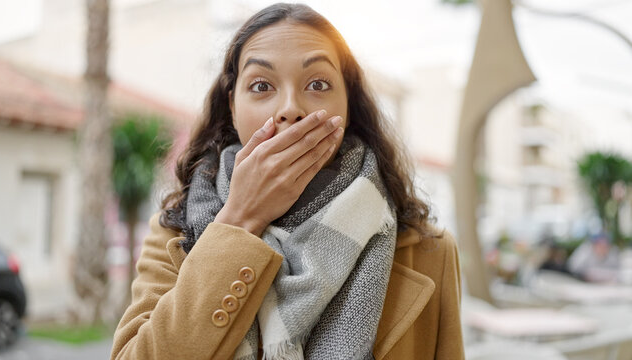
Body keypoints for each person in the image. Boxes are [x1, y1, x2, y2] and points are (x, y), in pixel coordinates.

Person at [111, 3, 463, 359]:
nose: (291, 108)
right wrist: (240, 219)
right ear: (232, 107)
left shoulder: (430, 252)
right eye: (262, 85)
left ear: (348, 105)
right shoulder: (174, 232)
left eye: (318, 83)